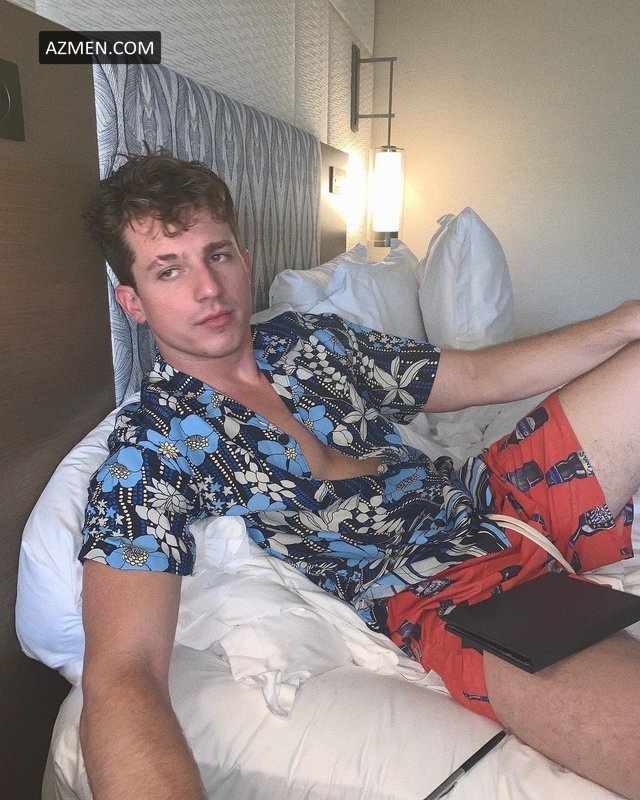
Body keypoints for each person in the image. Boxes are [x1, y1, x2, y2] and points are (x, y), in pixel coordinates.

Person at [80, 152, 640, 800]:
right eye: (169, 270)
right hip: (452, 590)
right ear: (133, 301)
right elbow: (122, 672)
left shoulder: (310, 342)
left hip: (491, 495)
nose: (208, 289)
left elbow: (476, 375)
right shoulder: (150, 450)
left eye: (218, 255)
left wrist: (622, 321)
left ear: (245, 260)